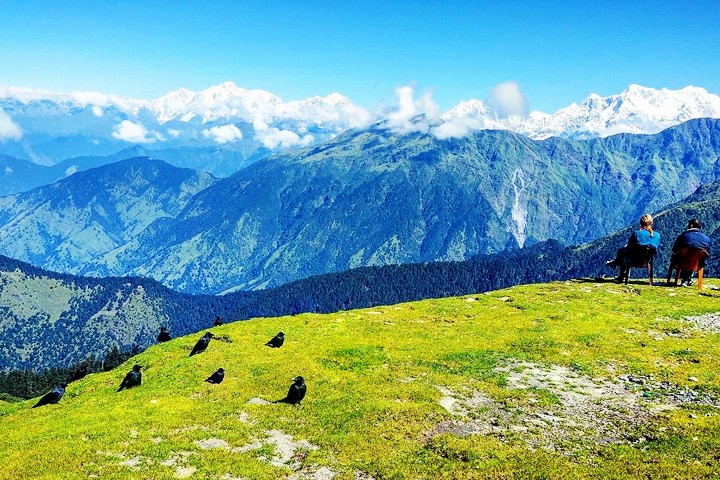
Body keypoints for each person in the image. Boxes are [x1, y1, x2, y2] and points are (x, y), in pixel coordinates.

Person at [606, 213, 660, 281]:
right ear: (651, 223)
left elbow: (629, 248)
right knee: (623, 251)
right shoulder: (657, 236)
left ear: (641, 223)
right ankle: (615, 264)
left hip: (632, 260)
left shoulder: (636, 233)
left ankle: (619, 270)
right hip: (646, 261)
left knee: (622, 251)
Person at [671, 218, 712, 286]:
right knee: (693, 259)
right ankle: (687, 279)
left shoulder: (683, 236)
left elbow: (674, 249)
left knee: (681, 257)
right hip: (698, 263)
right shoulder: (707, 239)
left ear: (691, 225)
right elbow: (708, 252)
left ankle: (685, 279)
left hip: (682, 262)